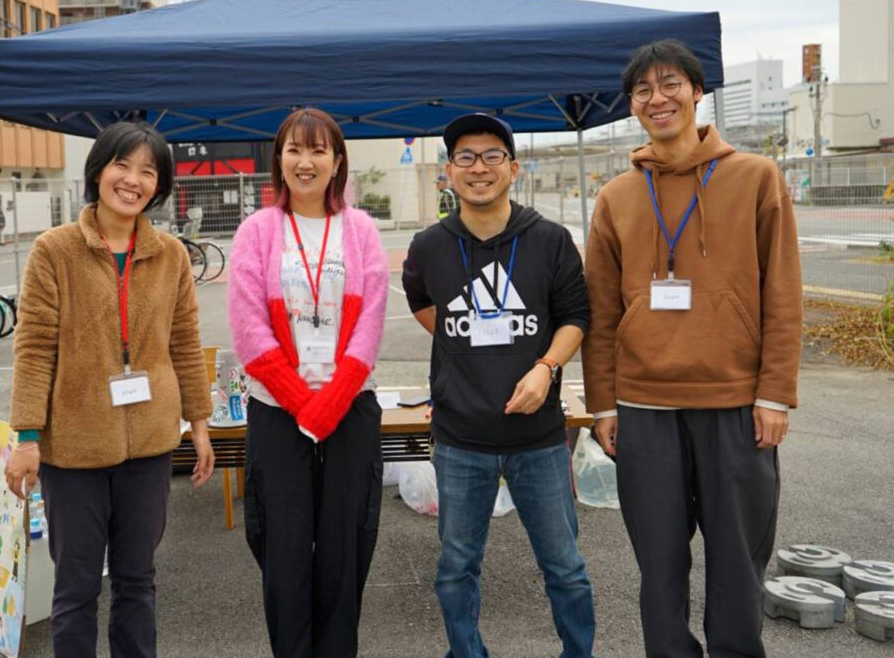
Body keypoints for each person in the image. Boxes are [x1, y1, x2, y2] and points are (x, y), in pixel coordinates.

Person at [583, 39, 802, 658]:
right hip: (644, 406)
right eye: (644, 90)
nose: (659, 98)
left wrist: (775, 393)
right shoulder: (616, 197)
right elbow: (600, 314)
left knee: (737, 562)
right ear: (633, 105)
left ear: (698, 92)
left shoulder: (756, 177)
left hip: (735, 402)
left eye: (671, 84)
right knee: (659, 565)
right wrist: (604, 405)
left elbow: (782, 291)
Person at [5, 121, 214, 658]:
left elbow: (186, 342)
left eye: (148, 171)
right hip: (72, 448)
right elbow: (34, 348)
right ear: (98, 171)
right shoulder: (55, 250)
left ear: (159, 186)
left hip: (148, 443)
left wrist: (200, 421)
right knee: (75, 589)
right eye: (123, 165)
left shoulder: (170, 255)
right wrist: (28, 437)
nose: (133, 180)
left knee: (137, 580)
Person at [402, 112, 596, 658]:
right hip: (461, 437)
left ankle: (578, 653)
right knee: (456, 565)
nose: (478, 168)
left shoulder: (550, 240)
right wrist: (461, 343)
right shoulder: (429, 246)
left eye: (491, 156)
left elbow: (576, 315)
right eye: (465, 157)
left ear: (513, 168)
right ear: (448, 172)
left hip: (538, 437)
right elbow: (420, 301)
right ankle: (467, 652)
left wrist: (545, 367)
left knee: (565, 564)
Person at [228, 107, 388, 658]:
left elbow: (369, 329)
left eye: (319, 150)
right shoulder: (257, 231)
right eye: (295, 149)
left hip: (350, 409)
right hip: (278, 410)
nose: (306, 161)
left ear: (337, 161)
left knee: (346, 548)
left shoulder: (362, 230)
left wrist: (333, 401)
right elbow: (250, 332)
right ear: (279, 159)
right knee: (284, 549)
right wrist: (303, 405)